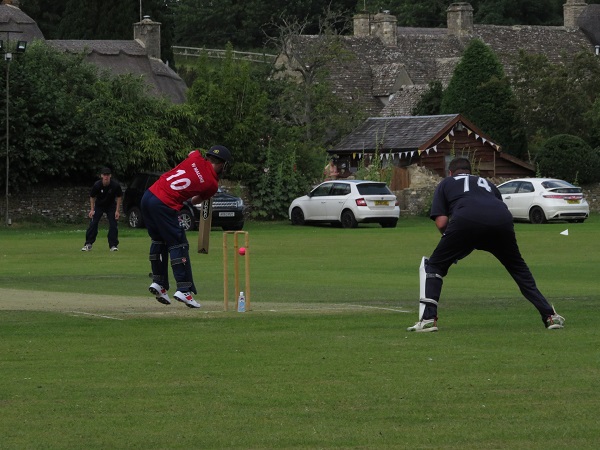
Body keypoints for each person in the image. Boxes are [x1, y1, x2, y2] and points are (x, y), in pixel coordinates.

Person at [407, 157, 565, 332]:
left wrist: (450, 241)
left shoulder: (446, 183)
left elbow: (442, 222)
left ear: (450, 173)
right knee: (518, 269)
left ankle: (428, 319)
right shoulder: (487, 183)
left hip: (466, 220)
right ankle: (550, 316)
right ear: (471, 172)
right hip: (502, 221)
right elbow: (496, 208)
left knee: (434, 266)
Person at [141, 145, 231, 308]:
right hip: (164, 203)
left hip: (148, 196)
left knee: (159, 240)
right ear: (223, 164)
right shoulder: (212, 184)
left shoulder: (195, 157)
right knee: (179, 243)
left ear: (208, 157)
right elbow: (195, 201)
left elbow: (191, 152)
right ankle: (184, 289)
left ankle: (159, 284)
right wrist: (203, 192)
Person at [81, 167, 123, 252]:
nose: (106, 177)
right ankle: (88, 244)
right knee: (93, 223)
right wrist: (92, 210)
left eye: (107, 175)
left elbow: (119, 197)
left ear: (110, 176)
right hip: (99, 206)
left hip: (111, 206)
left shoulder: (115, 185)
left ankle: (113, 245)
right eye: (104, 175)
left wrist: (117, 211)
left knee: (113, 224)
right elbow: (92, 197)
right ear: (101, 176)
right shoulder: (97, 185)